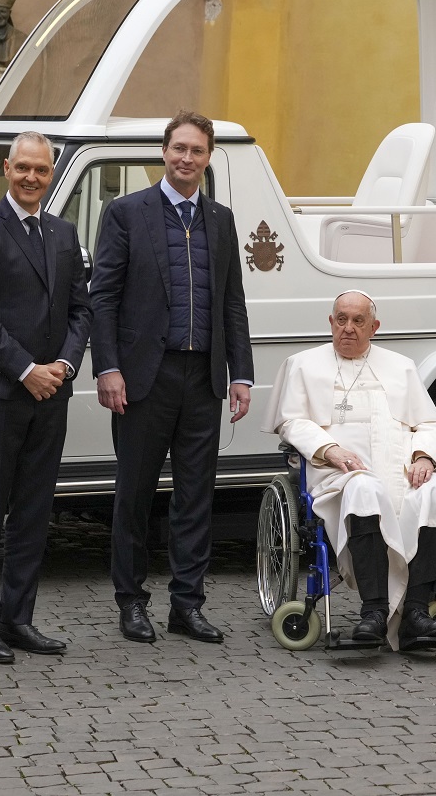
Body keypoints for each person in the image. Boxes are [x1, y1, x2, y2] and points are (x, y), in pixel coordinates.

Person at [90, 110, 255, 645]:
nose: (187, 159)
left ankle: (187, 604)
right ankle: (131, 603)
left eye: (198, 151)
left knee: (195, 496)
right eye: (179, 148)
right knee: (134, 494)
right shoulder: (125, 213)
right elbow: (104, 297)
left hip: (203, 377)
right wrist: (108, 367)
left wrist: (242, 374)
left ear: (209, 158)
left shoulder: (221, 219)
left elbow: (232, 301)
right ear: (163, 152)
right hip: (144, 378)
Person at [0, 131, 92, 664]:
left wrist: (63, 364)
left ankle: (19, 620)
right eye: (22, 168)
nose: (31, 177)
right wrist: (26, 370)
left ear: (51, 174)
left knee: (35, 509)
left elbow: (82, 309)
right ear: (6, 169)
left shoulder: (62, 232)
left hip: (51, 392)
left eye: (41, 170)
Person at [263, 290, 436, 649]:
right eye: (341, 319)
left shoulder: (399, 366)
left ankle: (416, 612)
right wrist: (330, 448)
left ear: (374, 327)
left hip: (402, 471)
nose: (348, 328)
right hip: (338, 474)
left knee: (435, 492)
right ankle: (373, 611)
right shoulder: (303, 365)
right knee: (364, 491)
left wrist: (423, 457)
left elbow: (431, 425)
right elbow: (291, 422)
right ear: (331, 322)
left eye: (358, 321)